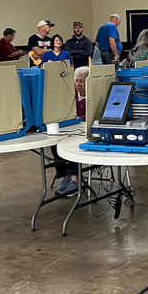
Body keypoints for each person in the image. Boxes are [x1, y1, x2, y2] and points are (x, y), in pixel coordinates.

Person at [51, 67, 89, 197]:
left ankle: (75, 180)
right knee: (55, 143)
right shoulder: (70, 94)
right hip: (73, 127)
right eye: (76, 81)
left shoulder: (94, 94)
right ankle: (65, 176)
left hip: (87, 130)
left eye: (82, 81)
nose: (78, 84)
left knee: (73, 145)